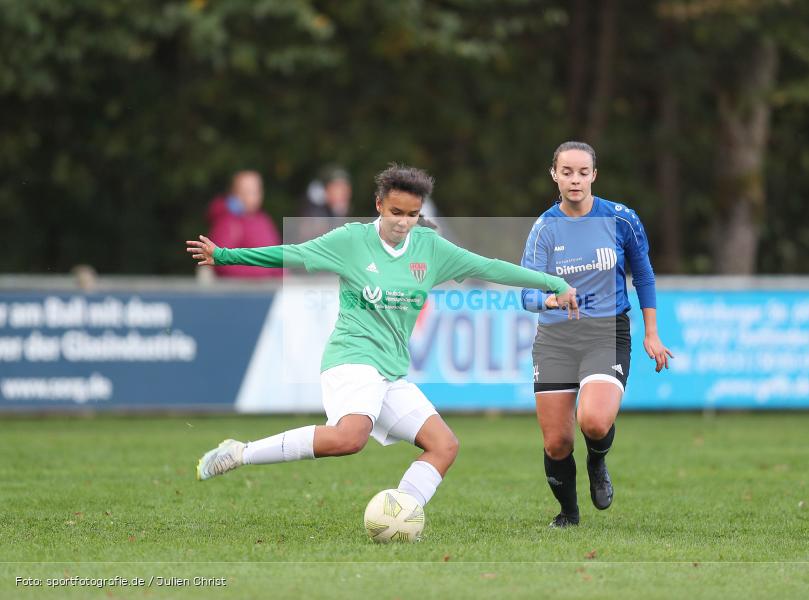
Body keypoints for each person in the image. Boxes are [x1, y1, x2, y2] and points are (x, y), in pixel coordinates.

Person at [186, 164, 578, 515]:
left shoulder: (431, 248)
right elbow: (291, 252)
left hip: (389, 371)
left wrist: (553, 281)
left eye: (411, 214)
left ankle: (400, 512)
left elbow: (488, 266)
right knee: (350, 437)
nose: (403, 222)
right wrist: (224, 255)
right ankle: (240, 453)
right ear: (378, 205)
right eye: (395, 212)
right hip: (351, 357)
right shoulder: (350, 241)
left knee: (444, 446)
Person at [520, 141, 672, 528]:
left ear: (594, 175)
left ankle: (598, 460)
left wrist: (651, 333)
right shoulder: (544, 229)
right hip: (556, 338)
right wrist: (553, 301)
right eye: (566, 172)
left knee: (593, 422)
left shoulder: (621, 219)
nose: (575, 180)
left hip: (607, 331)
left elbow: (645, 275)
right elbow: (527, 295)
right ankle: (568, 514)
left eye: (582, 172)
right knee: (556, 442)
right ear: (554, 175)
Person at [206, 170, 283, 278]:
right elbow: (222, 262)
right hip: (241, 290)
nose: (251, 196)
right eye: (245, 191)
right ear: (233, 193)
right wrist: (263, 271)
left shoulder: (263, 219)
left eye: (255, 191)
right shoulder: (227, 222)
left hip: (269, 287)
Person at [295, 166, 353, 242]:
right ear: (326, 189)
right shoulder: (313, 213)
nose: (344, 192)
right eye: (338, 187)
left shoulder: (337, 211)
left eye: (346, 187)